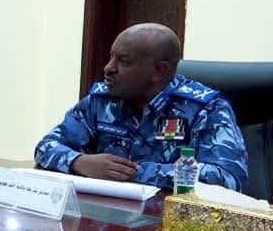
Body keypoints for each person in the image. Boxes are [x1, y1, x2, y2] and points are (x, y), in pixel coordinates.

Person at [34, 23, 248, 192]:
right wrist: (79, 162)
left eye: (123, 61)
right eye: (111, 57)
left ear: (159, 71)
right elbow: (45, 146)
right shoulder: (101, 100)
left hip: (172, 223)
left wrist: (133, 173)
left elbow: (228, 178)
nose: (108, 68)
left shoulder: (205, 109)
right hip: (108, 218)